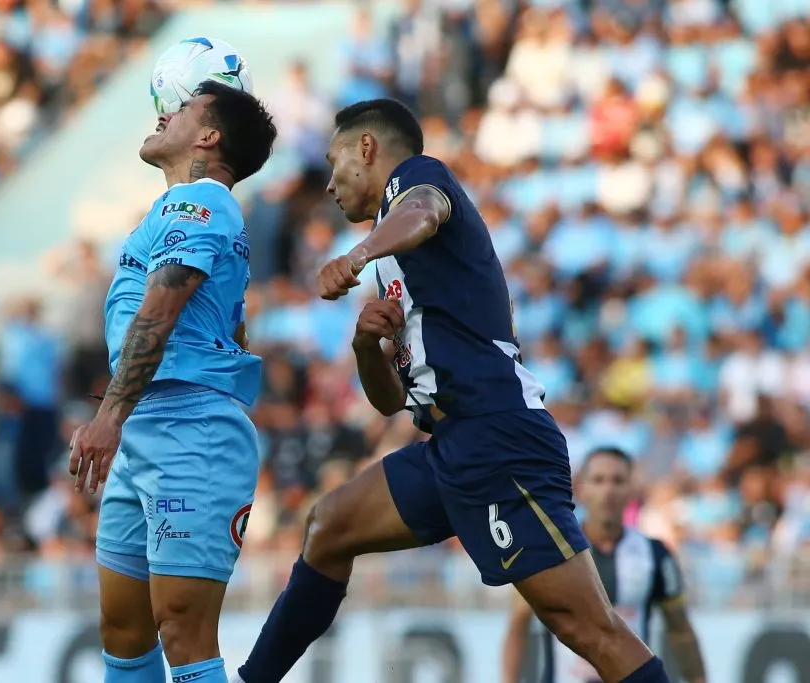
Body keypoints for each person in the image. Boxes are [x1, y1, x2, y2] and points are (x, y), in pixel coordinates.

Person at [233, 99, 670, 683]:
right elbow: (391, 400)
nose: (331, 185)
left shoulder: (415, 181)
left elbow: (424, 210)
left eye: (336, 163)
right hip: (450, 443)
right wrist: (365, 347)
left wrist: (357, 254)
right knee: (329, 526)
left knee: (589, 629)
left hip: (497, 434)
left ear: (367, 147)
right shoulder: (397, 261)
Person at [67, 80, 277, 683]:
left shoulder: (201, 203)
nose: (164, 113)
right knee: (124, 629)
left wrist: (107, 417)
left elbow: (160, 311)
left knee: (182, 630)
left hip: (191, 429)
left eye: (182, 108)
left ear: (208, 136)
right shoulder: (180, 208)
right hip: (148, 424)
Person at [502, 447, 707, 683]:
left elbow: (681, 630)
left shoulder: (655, 554)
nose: (608, 491)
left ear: (632, 489)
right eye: (598, 480)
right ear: (581, 488)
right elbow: (518, 625)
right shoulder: (550, 550)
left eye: (618, 481)